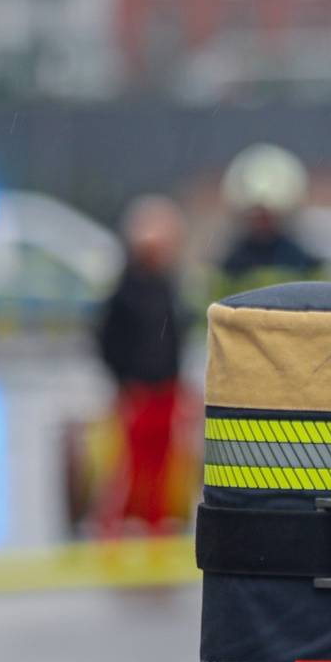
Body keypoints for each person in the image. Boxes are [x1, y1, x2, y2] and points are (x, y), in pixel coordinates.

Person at [95, 193, 189, 533]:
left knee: (162, 465)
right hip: (136, 392)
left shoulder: (166, 287)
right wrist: (124, 382)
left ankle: (156, 522)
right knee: (127, 465)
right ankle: (117, 525)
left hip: (165, 391)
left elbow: (174, 338)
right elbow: (107, 342)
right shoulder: (126, 292)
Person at [213, 143, 323, 299]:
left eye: (268, 215)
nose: (262, 221)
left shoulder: (304, 261)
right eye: (257, 215)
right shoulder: (230, 264)